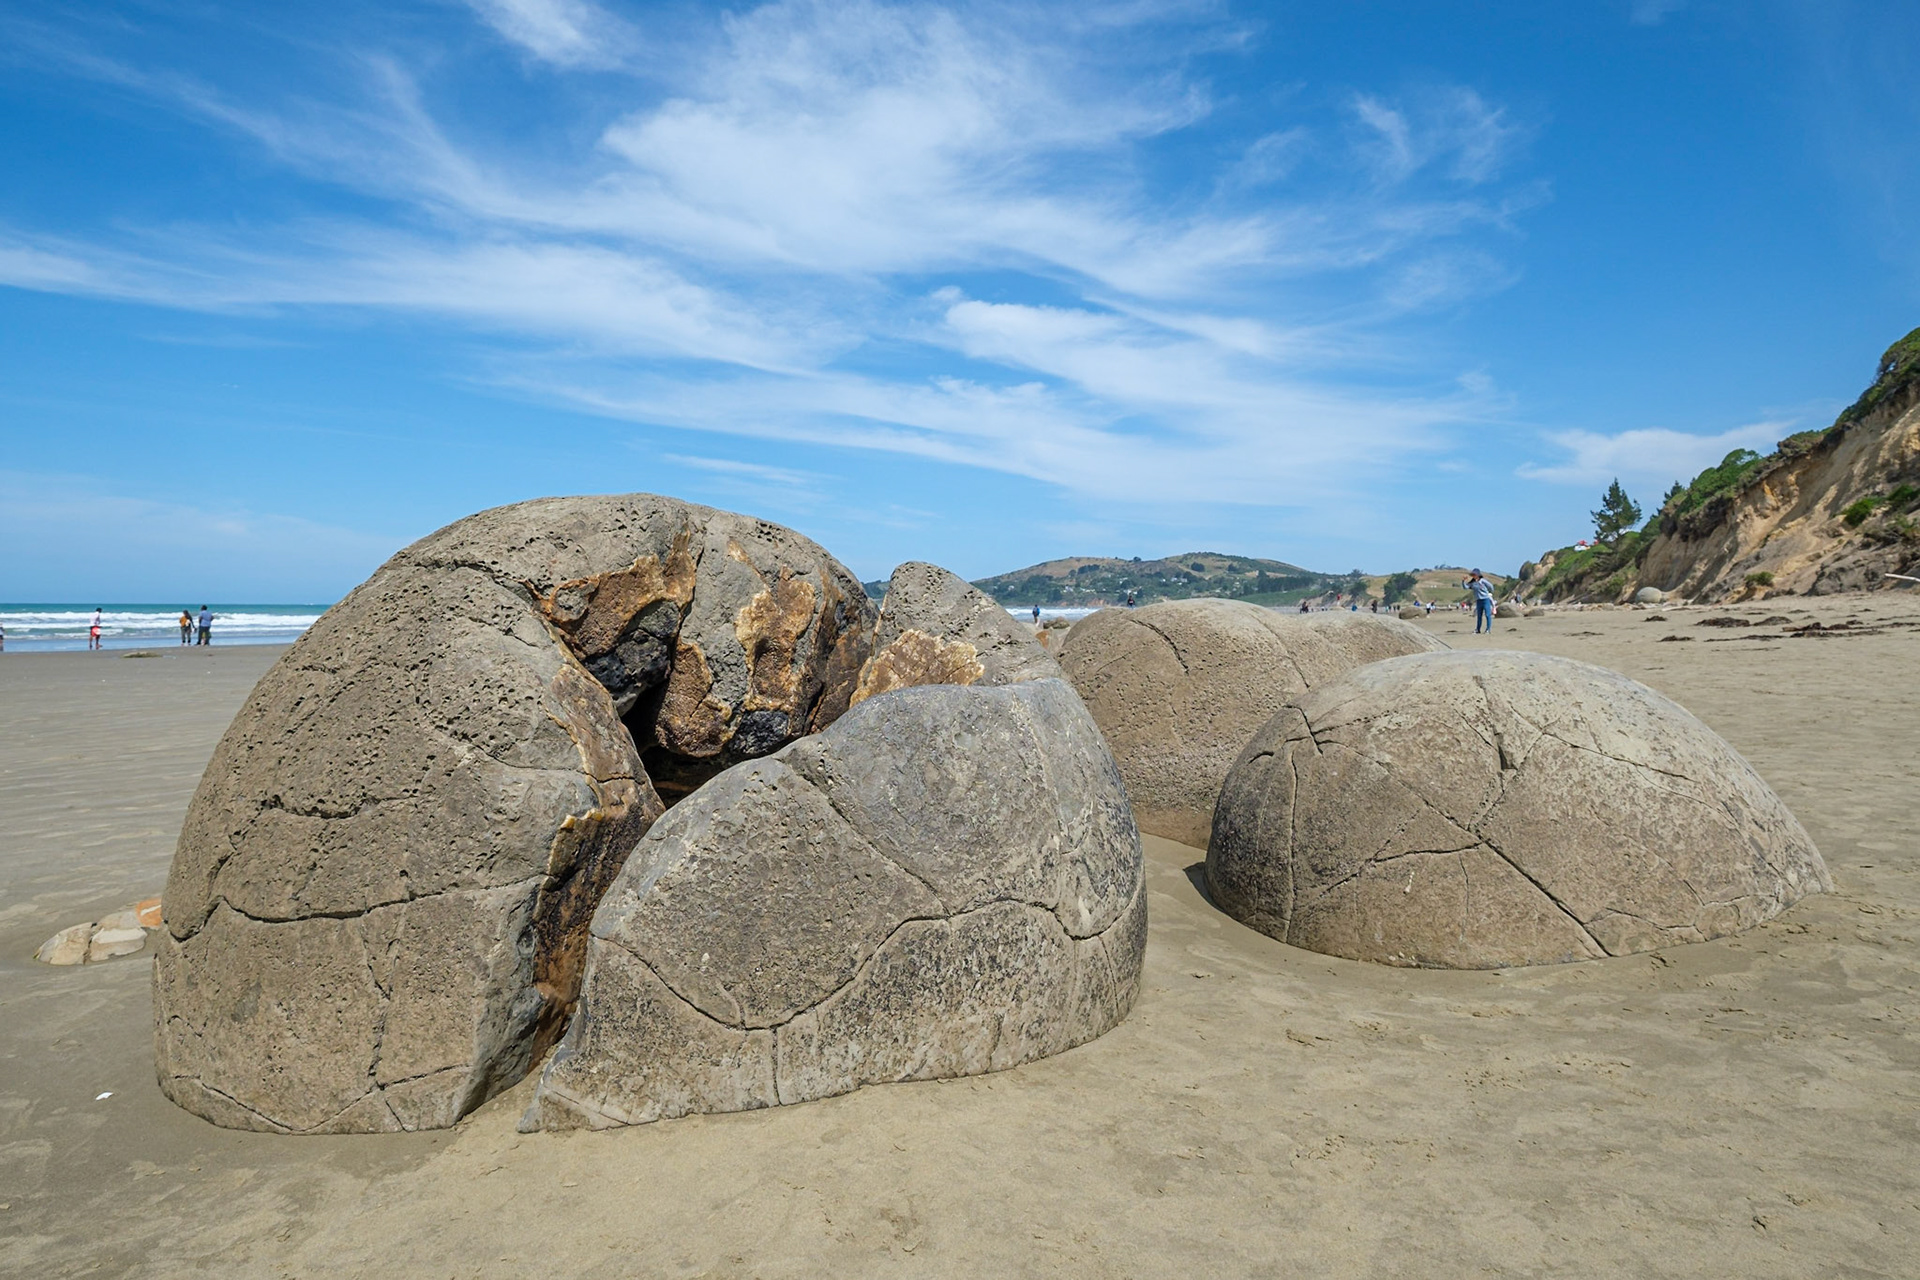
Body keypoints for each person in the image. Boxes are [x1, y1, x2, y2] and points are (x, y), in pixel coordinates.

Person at [1466, 570, 1496, 634]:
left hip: (1485, 599)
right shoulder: (1473, 583)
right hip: (1478, 600)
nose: (1473, 576)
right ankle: (1478, 629)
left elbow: (1491, 586)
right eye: (1472, 575)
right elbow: (1466, 587)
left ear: (1478, 575)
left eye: (1474, 575)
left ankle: (1488, 629)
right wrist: (1463, 581)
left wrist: (1490, 593)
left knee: (1488, 615)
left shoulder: (1483, 581)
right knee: (1479, 616)